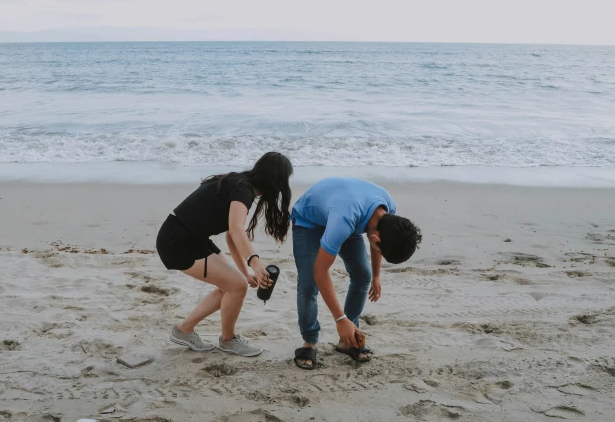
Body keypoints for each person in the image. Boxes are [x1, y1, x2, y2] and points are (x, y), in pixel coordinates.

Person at [156, 152, 293, 357]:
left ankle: (184, 330)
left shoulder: (240, 183)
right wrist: (255, 263)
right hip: (178, 241)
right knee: (236, 286)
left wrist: (245, 272)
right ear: (276, 179)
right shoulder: (243, 189)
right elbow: (237, 230)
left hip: (189, 236)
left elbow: (231, 236)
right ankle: (228, 340)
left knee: (233, 283)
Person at [290, 177, 422, 369]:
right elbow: (321, 271)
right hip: (309, 219)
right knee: (309, 283)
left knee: (363, 275)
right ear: (376, 239)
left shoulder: (387, 209)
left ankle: (348, 341)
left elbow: (378, 243)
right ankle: (309, 341)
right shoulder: (345, 220)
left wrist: (376, 276)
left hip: (344, 213)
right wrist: (340, 319)